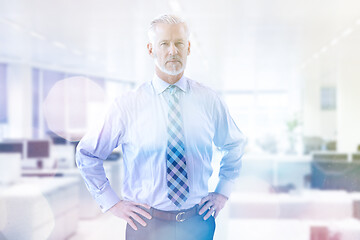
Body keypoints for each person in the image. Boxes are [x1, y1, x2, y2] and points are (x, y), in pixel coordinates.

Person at [76, 14, 247, 240]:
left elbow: (234, 144)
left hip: (197, 223)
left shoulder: (208, 100)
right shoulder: (127, 105)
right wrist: (111, 203)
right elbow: (87, 154)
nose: (172, 51)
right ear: (151, 49)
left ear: (188, 48)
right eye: (164, 44)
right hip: (146, 225)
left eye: (178, 43)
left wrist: (222, 193)